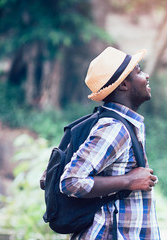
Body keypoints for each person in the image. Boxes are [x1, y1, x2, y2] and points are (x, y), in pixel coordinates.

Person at [59, 46, 161, 240]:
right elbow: (71, 182)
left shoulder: (121, 124)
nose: (146, 76)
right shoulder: (114, 128)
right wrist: (129, 180)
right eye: (139, 72)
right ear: (123, 85)